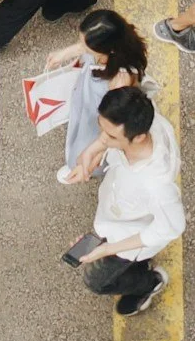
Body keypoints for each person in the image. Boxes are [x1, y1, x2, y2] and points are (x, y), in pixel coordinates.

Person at [65, 86, 181, 315]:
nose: (103, 138)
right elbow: (107, 137)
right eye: (102, 129)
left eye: (111, 136)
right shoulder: (145, 118)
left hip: (128, 240)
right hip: (115, 218)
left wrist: (109, 249)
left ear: (138, 137)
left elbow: (172, 226)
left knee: (95, 282)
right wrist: (93, 150)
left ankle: (150, 283)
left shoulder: (157, 183)